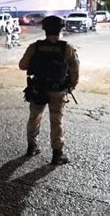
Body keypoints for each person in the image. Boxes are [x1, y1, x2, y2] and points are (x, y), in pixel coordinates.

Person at [19, 15, 79, 165]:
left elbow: (22, 66)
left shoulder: (35, 47)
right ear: (60, 30)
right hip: (57, 90)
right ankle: (57, 154)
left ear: (44, 30)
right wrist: (72, 86)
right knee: (57, 121)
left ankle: (32, 147)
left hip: (38, 89)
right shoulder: (67, 48)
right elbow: (75, 70)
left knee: (34, 117)